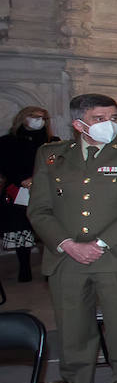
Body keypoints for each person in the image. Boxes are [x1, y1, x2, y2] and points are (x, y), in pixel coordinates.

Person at [28, 93, 117, 383]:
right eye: (100, 118)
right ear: (79, 123)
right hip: (66, 256)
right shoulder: (51, 156)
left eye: (113, 117)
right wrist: (67, 244)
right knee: (72, 327)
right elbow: (39, 209)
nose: (109, 124)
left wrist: (98, 245)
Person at [0, 106, 53, 282]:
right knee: (21, 229)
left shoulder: (51, 141)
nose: (40, 120)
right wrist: (22, 179)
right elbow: (5, 165)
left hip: (46, 188)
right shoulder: (8, 141)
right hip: (19, 189)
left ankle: (49, 268)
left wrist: (37, 178)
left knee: (47, 230)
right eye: (35, 117)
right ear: (23, 118)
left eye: (43, 118)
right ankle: (24, 268)